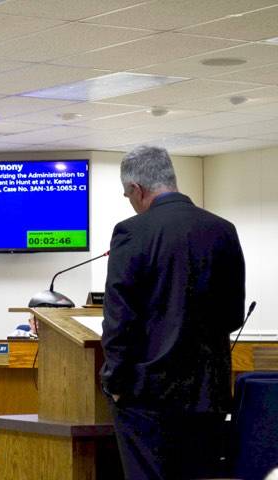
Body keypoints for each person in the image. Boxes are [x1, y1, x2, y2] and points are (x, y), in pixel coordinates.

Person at [100, 145, 246, 480]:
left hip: (146, 395)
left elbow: (119, 320)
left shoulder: (133, 232)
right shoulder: (223, 229)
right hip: (208, 395)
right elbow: (233, 316)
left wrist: (115, 382)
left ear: (137, 189)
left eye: (127, 195)